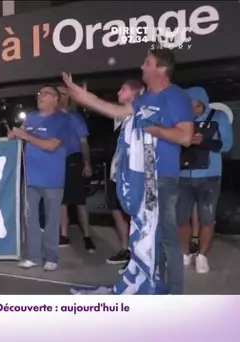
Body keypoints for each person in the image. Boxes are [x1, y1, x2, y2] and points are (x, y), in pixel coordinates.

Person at [62, 47, 194, 294]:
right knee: (148, 238)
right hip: (142, 178)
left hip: (162, 177)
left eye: (147, 63)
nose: (142, 67)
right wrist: (84, 97)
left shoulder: (175, 96)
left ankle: (175, 298)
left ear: (161, 69)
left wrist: (156, 131)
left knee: (166, 239)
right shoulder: (144, 100)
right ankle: (153, 286)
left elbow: (185, 136)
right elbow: (116, 111)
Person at [12, 85, 69, 272]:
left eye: (45, 93)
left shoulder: (62, 120)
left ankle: (51, 257)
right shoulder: (31, 117)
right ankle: (33, 256)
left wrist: (26, 136)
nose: (40, 96)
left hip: (52, 179)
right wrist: (13, 135)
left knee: (52, 220)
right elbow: (18, 137)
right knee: (31, 220)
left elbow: (52, 146)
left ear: (56, 98)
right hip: (30, 178)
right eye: (39, 94)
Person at [177, 86, 234, 273]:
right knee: (181, 217)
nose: (191, 110)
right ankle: (184, 254)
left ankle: (202, 257)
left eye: (195, 106)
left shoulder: (219, 117)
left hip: (210, 177)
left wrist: (204, 141)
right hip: (183, 176)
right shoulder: (181, 119)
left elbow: (227, 145)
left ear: (202, 103)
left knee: (207, 218)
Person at [105, 80, 145, 271]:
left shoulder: (141, 114)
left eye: (123, 88)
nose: (118, 91)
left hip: (133, 174)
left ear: (136, 93)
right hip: (117, 172)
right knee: (116, 209)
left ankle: (138, 258)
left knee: (135, 216)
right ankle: (125, 250)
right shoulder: (118, 117)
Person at [57, 85, 95, 252]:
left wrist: (87, 164)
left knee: (79, 201)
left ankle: (87, 236)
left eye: (64, 94)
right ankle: (64, 235)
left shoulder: (74, 117)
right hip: (56, 161)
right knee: (61, 201)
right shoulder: (50, 117)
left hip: (73, 159)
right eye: (58, 94)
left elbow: (84, 143)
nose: (61, 97)